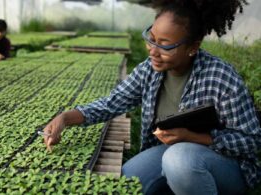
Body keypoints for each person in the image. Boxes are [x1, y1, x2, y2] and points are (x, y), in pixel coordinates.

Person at [43, 0, 261, 194]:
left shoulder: (221, 78)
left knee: (179, 160)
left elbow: (252, 141)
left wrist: (194, 137)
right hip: (168, 152)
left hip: (228, 166)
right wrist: (64, 118)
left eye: (165, 44)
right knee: (126, 185)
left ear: (193, 47)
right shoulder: (150, 70)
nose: (153, 51)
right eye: (152, 38)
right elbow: (111, 103)